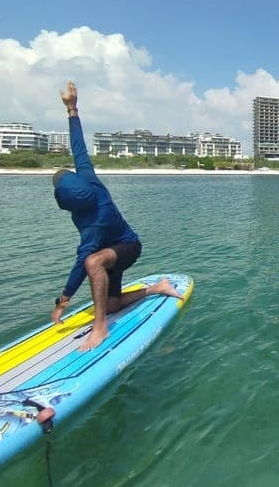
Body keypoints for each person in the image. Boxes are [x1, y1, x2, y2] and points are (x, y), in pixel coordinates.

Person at [51, 81, 182, 351]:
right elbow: (79, 149)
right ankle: (157, 288)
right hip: (112, 254)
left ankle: (100, 329)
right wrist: (72, 109)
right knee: (111, 302)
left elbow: (80, 264)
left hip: (127, 247)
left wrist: (62, 301)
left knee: (91, 262)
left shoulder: (93, 221)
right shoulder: (89, 180)